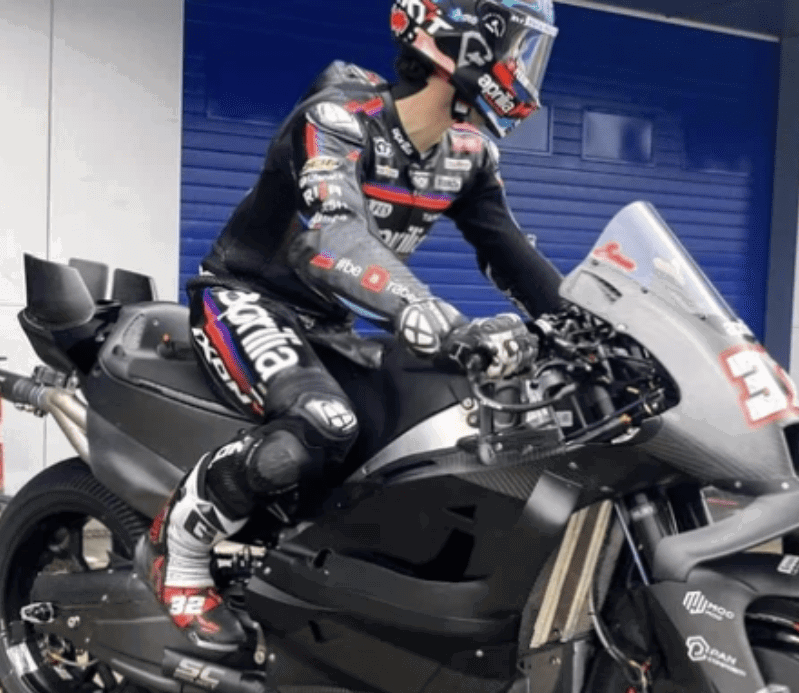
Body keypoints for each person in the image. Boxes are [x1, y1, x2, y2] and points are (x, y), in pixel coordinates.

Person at [142, 0, 566, 654]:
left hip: (328, 323)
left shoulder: (468, 155)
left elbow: (514, 256)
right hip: (247, 297)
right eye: (516, 45)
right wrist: (435, 317)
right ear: (465, 45)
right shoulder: (337, 121)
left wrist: (588, 326)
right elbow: (329, 235)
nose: (523, 66)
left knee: (423, 435)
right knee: (322, 424)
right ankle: (178, 553)